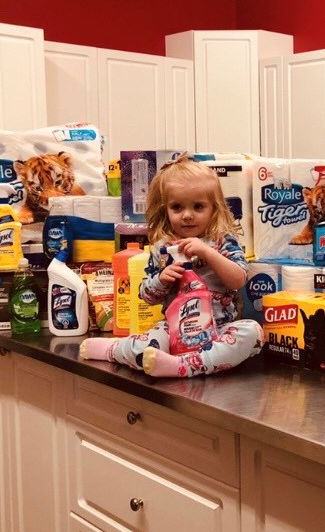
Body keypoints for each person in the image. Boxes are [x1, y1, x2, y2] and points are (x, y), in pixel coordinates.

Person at [80, 153, 263, 377]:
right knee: (149, 342)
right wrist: (162, 278)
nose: (187, 215)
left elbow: (238, 279)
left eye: (198, 207)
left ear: (214, 209)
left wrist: (208, 253)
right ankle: (113, 349)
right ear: (165, 210)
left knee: (252, 333)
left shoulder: (222, 241)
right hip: (174, 330)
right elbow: (147, 296)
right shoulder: (162, 249)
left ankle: (184, 366)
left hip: (217, 330)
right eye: (177, 208)